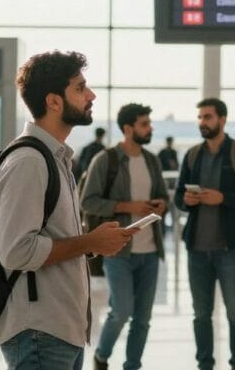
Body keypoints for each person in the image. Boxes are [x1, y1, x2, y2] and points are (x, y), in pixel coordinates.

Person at [0, 51, 134, 369]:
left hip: (60, 328)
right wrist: (88, 243)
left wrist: (94, 242)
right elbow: (16, 251)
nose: (91, 95)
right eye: (80, 88)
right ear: (54, 101)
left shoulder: (55, 159)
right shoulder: (29, 162)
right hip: (39, 331)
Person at [81, 103, 169, 370]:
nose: (150, 128)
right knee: (122, 310)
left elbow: (163, 196)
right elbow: (88, 202)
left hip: (150, 251)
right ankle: (102, 356)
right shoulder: (105, 160)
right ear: (128, 128)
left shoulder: (152, 160)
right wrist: (128, 206)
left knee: (143, 318)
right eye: (144, 124)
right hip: (118, 250)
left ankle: (132, 365)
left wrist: (161, 204)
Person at [175, 98, 235, 370]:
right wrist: (186, 200)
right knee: (201, 314)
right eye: (200, 117)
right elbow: (177, 198)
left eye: (207, 117)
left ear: (222, 119)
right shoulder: (192, 155)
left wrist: (223, 198)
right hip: (197, 249)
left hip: (230, 249)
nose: (203, 122)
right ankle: (205, 364)